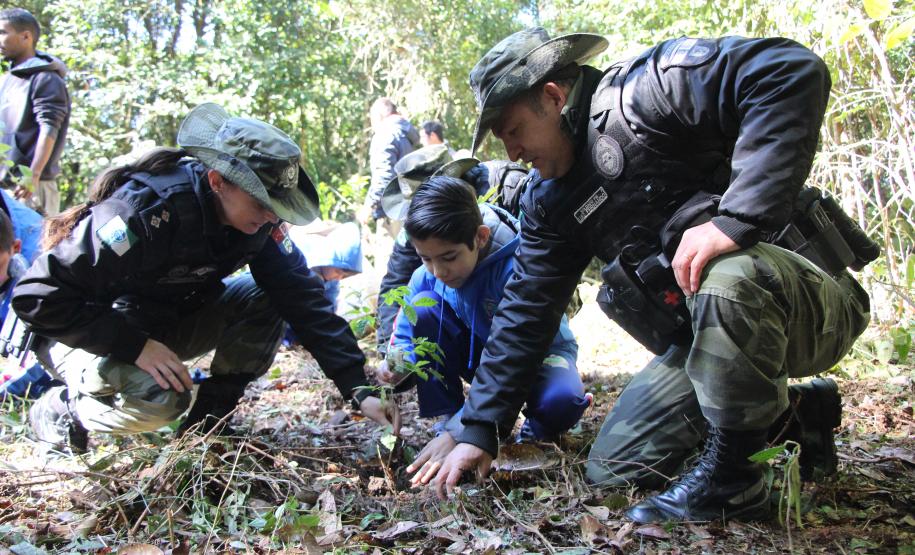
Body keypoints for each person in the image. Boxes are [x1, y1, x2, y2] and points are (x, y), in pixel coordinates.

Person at [422, 29, 874, 523]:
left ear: (552, 97)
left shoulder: (648, 93)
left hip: (806, 303)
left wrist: (737, 219)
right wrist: (480, 429)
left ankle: (735, 483)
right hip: (710, 340)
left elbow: (787, 68)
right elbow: (524, 313)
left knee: (726, 272)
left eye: (512, 131)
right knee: (615, 467)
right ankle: (791, 416)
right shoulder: (549, 203)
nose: (511, 153)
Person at [15, 103, 399, 455]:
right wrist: (134, 346)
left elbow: (301, 296)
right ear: (218, 181)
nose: (271, 217)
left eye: (277, 207)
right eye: (262, 204)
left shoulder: (256, 226)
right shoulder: (143, 212)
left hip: (159, 325)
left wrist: (357, 386)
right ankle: (63, 409)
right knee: (162, 401)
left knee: (266, 296)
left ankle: (208, 426)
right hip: (79, 331)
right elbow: (37, 297)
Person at [377, 176, 590, 485]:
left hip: (537, 354)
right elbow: (406, 329)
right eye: (426, 259)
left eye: (449, 257)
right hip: (478, 355)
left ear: (480, 237)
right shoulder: (428, 275)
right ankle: (448, 418)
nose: (439, 271)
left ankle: (534, 435)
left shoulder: (519, 266)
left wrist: (464, 429)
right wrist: (394, 366)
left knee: (562, 400)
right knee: (423, 309)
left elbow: (517, 353)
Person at [374, 144, 530, 357]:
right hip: (467, 328)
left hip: (521, 321)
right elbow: (396, 281)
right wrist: (392, 354)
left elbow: (544, 256)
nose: (437, 269)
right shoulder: (416, 229)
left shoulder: (505, 187)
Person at [0, 8, 70, 216]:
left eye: (3, 32)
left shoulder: (46, 78)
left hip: (30, 186)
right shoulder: (7, 80)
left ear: (26, 37)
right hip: (6, 185)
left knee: (33, 247)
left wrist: (33, 175)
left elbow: (49, 127)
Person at [358, 97, 418, 230]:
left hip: (391, 212)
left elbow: (384, 177)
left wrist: (369, 206)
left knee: (389, 250)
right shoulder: (405, 135)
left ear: (379, 116)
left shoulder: (385, 134)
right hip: (409, 208)